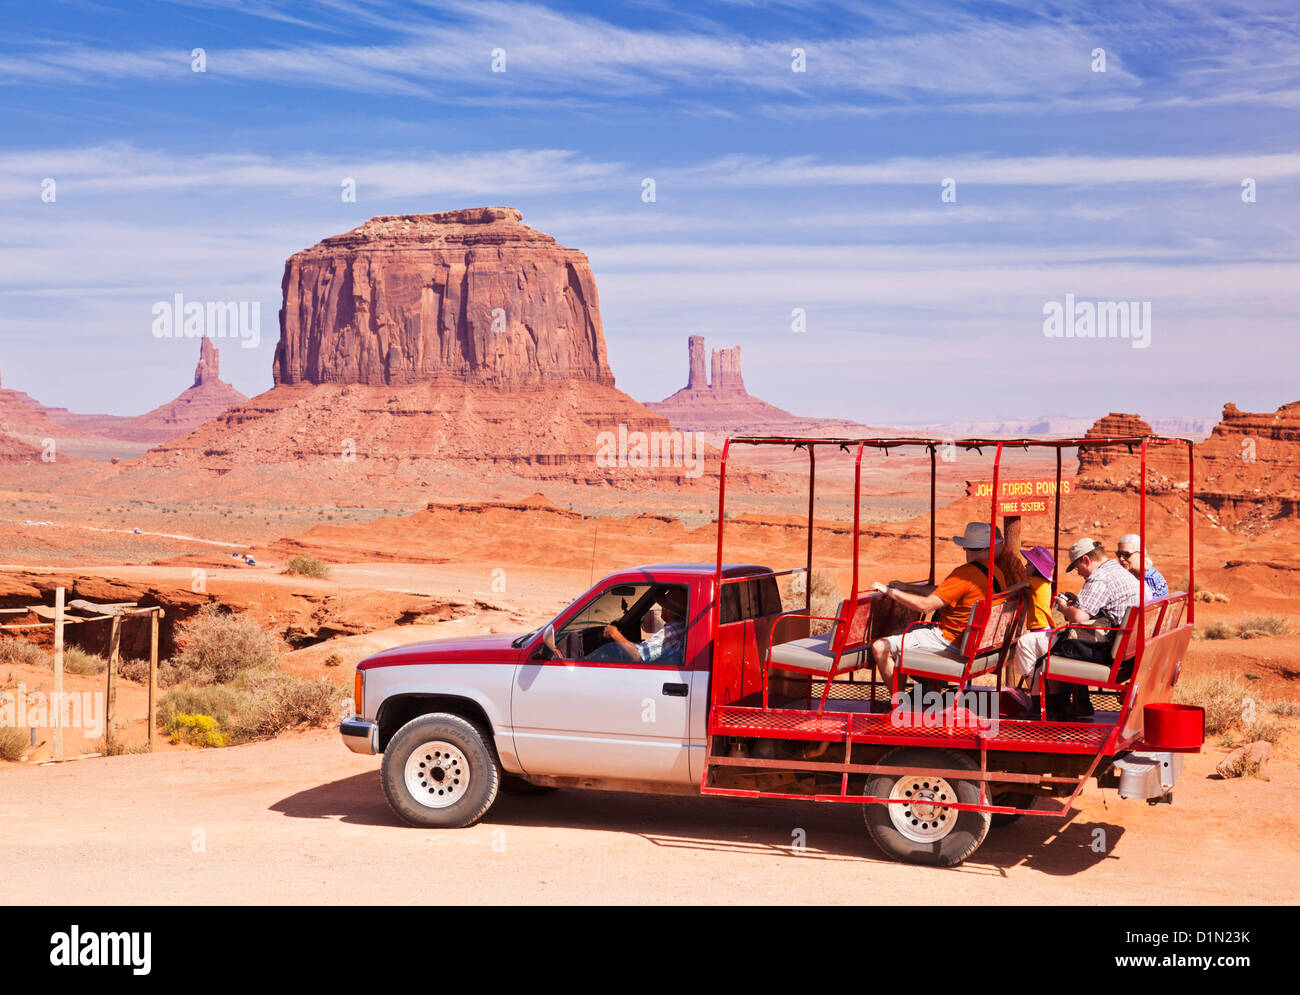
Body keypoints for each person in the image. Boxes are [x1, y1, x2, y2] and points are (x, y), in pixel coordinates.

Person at [1013, 537, 1142, 718]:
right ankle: (1062, 704)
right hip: (1122, 650)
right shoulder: (1117, 571)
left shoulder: (1099, 577)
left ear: (1086, 560)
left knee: (1027, 643)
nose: (1078, 573)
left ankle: (1040, 709)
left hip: (1105, 650)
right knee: (1052, 643)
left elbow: (1080, 617)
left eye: (1077, 567)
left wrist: (1063, 607)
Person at [870, 521, 1005, 688]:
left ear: (965, 547)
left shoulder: (965, 573)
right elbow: (944, 592)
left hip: (950, 640)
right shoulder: (995, 572)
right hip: (974, 641)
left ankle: (900, 706)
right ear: (989, 548)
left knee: (880, 647)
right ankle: (927, 693)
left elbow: (926, 606)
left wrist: (889, 591)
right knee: (899, 633)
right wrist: (908, 587)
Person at [548, 587, 688, 665]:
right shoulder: (681, 627)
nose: (662, 609)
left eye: (664, 606)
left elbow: (638, 655)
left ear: (671, 611)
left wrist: (614, 633)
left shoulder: (674, 629)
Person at [1117, 533, 1168, 599]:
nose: (1121, 558)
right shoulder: (1131, 574)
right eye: (1119, 554)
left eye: (1126, 554)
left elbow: (1152, 607)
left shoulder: (1150, 579)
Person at [1020, 544, 1055, 631]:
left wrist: (1002, 591)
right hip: (1045, 625)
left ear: (1035, 568)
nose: (1025, 566)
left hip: (1039, 626)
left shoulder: (1033, 581)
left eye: (1028, 564)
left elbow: (1012, 588)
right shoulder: (1045, 582)